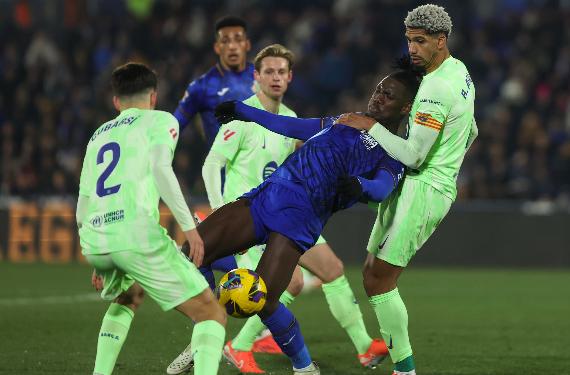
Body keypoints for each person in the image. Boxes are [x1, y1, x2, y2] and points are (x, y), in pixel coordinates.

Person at [173, 59, 421, 375]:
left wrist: (358, 185)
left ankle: (304, 368)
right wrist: (244, 112)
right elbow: (295, 126)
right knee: (192, 253)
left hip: (298, 223)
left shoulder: (395, 153)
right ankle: (206, 330)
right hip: (266, 198)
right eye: (378, 90)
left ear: (405, 108)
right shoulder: (347, 120)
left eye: (388, 95)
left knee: (263, 300)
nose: (378, 97)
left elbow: (381, 189)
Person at [338, 5, 479, 375]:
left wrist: (369, 125)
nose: (412, 49)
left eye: (420, 42)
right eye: (409, 41)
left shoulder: (435, 88)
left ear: (440, 40)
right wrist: (452, 163)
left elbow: (415, 157)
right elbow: (473, 130)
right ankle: (396, 349)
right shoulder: (460, 72)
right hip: (426, 185)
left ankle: (405, 369)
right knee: (371, 274)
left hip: (424, 189)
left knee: (381, 279)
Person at [77, 62, 226, 375]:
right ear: (154, 97)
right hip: (134, 235)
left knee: (128, 294)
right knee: (211, 313)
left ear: (116, 101)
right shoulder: (161, 120)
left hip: (95, 237)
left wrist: (98, 258)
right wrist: (190, 228)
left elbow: (84, 203)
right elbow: (161, 169)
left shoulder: (97, 137)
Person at [173, 15, 256, 276]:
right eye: (225, 41)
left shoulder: (263, 78)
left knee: (257, 256)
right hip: (225, 177)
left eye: (237, 39)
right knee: (249, 259)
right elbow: (174, 127)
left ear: (247, 44)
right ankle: (196, 252)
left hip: (262, 171)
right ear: (217, 48)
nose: (232, 46)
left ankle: (197, 249)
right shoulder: (202, 87)